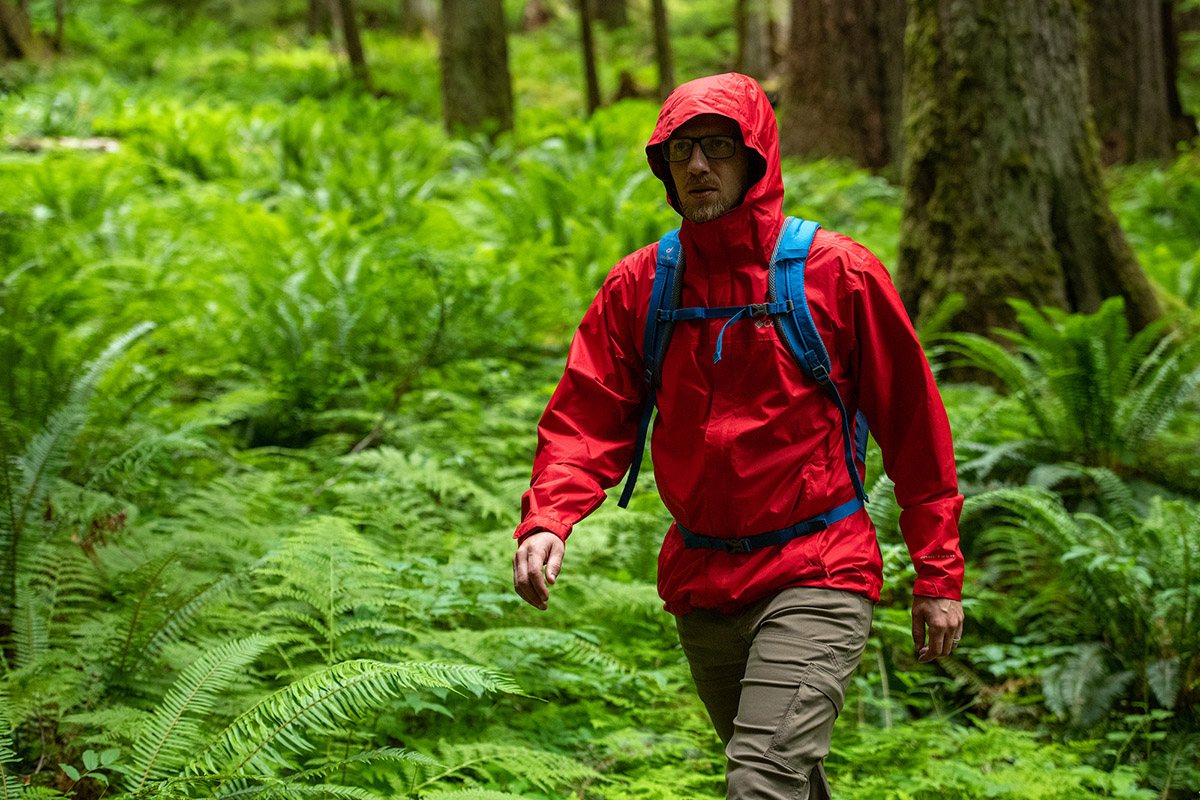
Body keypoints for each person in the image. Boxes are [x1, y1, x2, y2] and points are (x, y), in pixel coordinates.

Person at [511, 73, 964, 800]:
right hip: (704, 584)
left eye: (717, 147)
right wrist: (550, 518)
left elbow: (915, 428)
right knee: (783, 779)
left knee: (759, 783)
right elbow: (588, 414)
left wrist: (938, 573)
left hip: (818, 568)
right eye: (680, 150)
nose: (697, 166)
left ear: (757, 157)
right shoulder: (642, 286)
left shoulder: (836, 273)